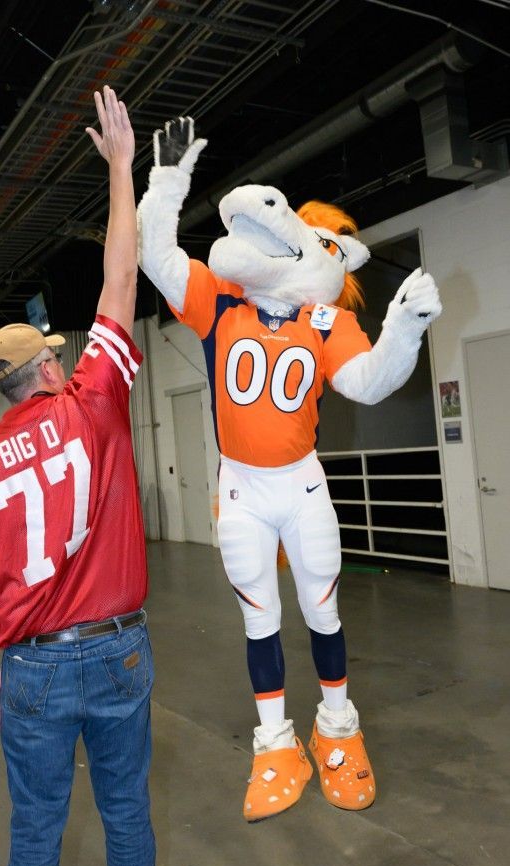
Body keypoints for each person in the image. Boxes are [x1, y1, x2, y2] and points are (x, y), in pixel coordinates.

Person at [137, 116, 441, 822]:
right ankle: (273, 739)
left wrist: (402, 330)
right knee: (258, 621)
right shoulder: (219, 304)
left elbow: (365, 381)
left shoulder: (325, 321)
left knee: (322, 608)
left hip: (301, 484)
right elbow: (157, 254)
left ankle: (337, 725)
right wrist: (168, 177)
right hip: (242, 487)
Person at [0, 86, 162, 866]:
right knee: (126, 817)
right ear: (42, 373)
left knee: (35, 830)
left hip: (30, 665)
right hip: (116, 651)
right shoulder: (95, 402)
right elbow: (120, 277)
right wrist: (120, 166)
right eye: (54, 355)